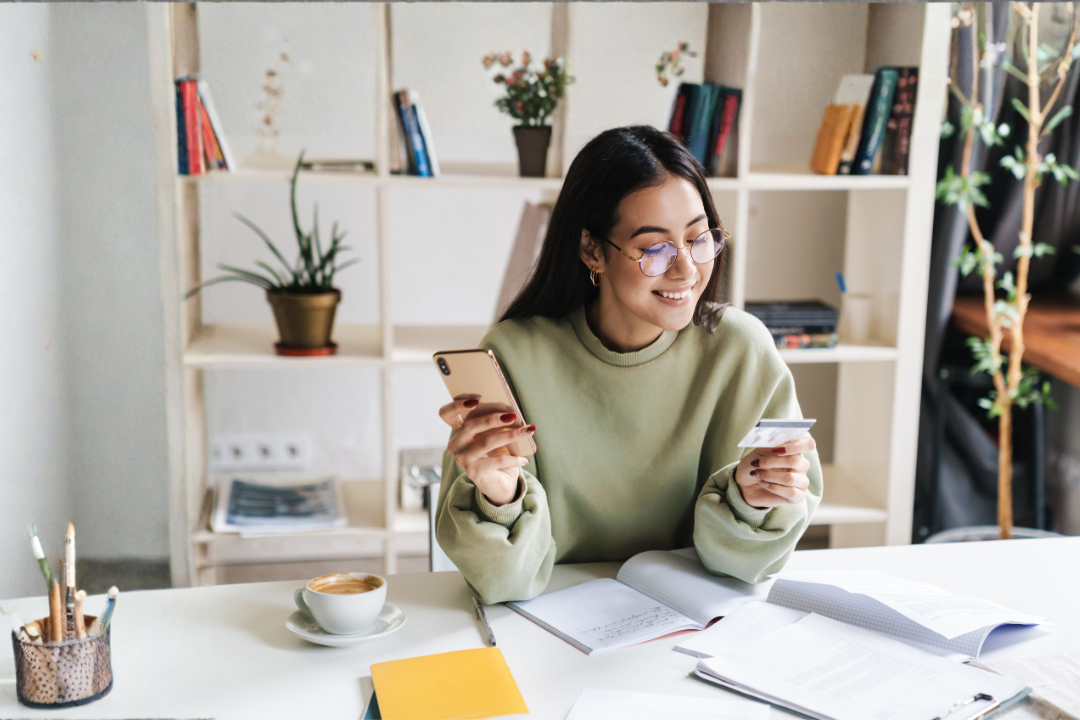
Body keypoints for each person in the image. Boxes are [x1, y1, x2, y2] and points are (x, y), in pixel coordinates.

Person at [435, 125, 822, 604]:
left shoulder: (740, 350)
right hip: (549, 625)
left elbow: (744, 570)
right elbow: (504, 583)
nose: (685, 269)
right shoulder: (515, 353)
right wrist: (499, 497)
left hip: (694, 624)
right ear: (592, 250)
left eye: (700, 239)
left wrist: (755, 501)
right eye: (654, 249)